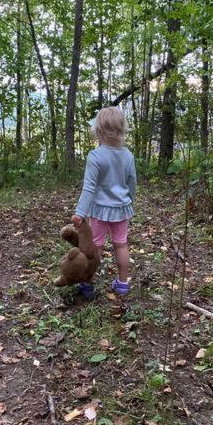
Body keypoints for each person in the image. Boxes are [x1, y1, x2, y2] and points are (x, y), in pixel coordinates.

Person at [73, 106, 136, 300]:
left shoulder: (95, 156)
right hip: (121, 209)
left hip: (99, 210)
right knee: (121, 245)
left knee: (96, 246)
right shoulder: (127, 155)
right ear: (121, 130)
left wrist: (80, 212)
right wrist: (129, 200)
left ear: (98, 130)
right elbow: (132, 181)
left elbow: (89, 188)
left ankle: (88, 283)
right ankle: (123, 283)